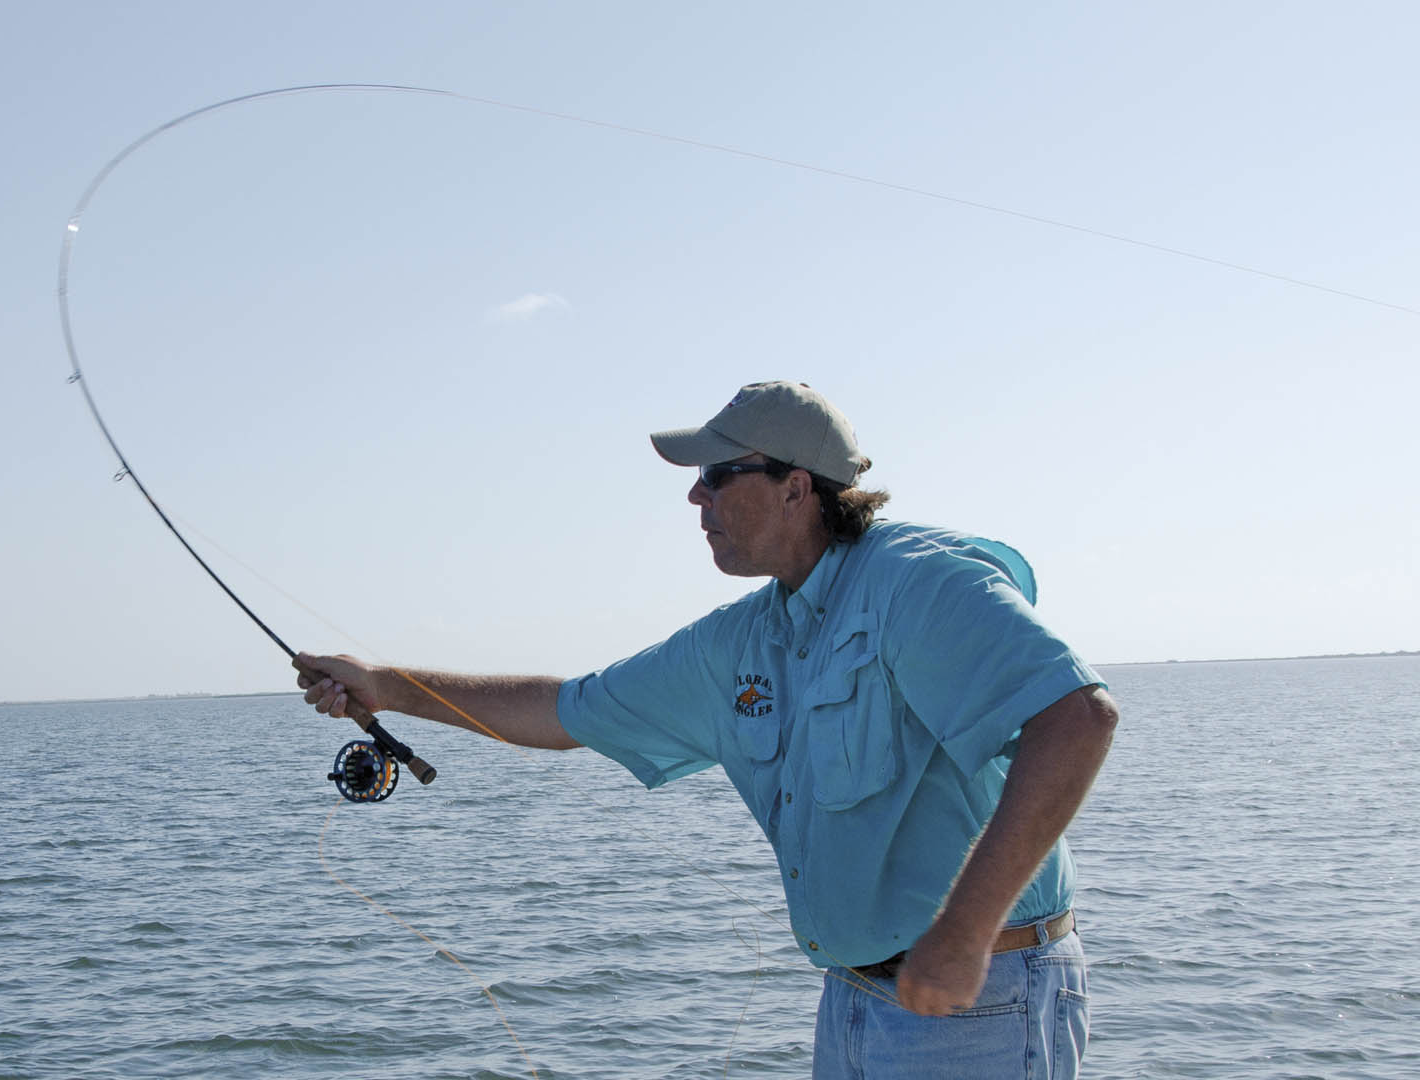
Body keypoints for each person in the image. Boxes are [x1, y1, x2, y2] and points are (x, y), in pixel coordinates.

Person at [296, 380, 1117, 1079]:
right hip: (855, 1000)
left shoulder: (917, 582)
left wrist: (965, 935)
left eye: (720, 475)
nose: (698, 497)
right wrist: (387, 688)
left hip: (986, 995)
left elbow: (1077, 719)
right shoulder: (743, 640)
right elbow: (567, 709)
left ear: (799, 487)